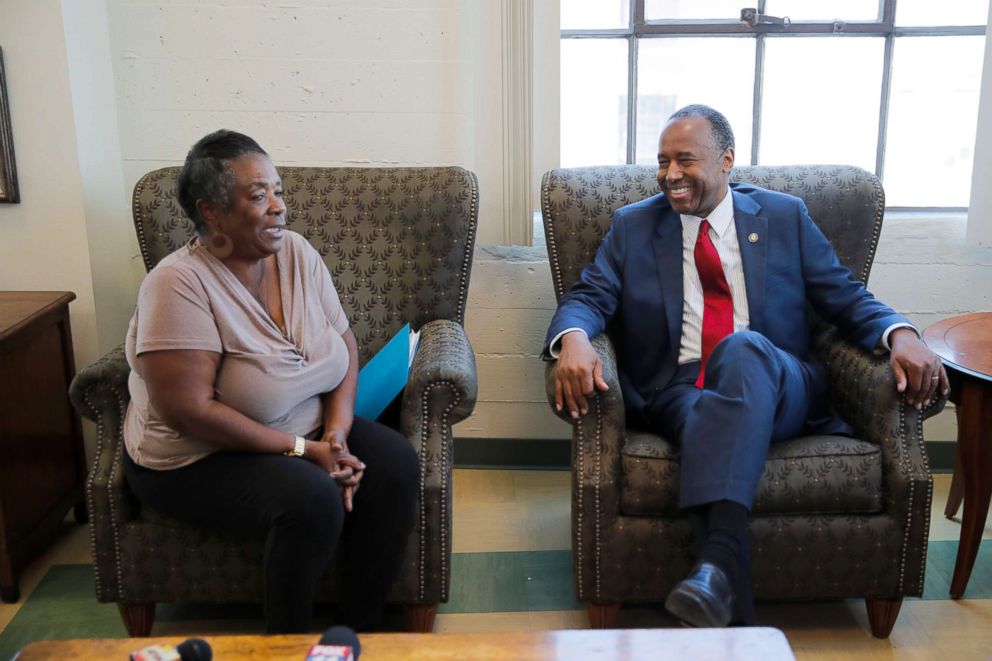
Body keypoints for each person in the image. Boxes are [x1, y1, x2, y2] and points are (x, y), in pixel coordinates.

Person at [545, 104, 948, 628]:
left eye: (684, 160)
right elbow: (588, 296)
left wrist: (903, 333)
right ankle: (720, 578)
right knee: (705, 421)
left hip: (781, 380)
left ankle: (716, 570)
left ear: (727, 160)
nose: (670, 175)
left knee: (741, 349)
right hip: (681, 387)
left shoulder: (784, 216)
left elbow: (846, 297)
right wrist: (574, 338)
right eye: (663, 161)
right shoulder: (633, 227)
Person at [121, 129, 419, 634]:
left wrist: (338, 435)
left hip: (301, 425)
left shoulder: (296, 253)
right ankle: (284, 645)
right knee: (311, 499)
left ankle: (357, 632)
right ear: (211, 211)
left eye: (278, 190)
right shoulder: (177, 285)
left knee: (394, 464)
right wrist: (305, 451)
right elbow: (188, 411)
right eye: (260, 195)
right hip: (195, 457)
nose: (279, 206)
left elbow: (344, 345)